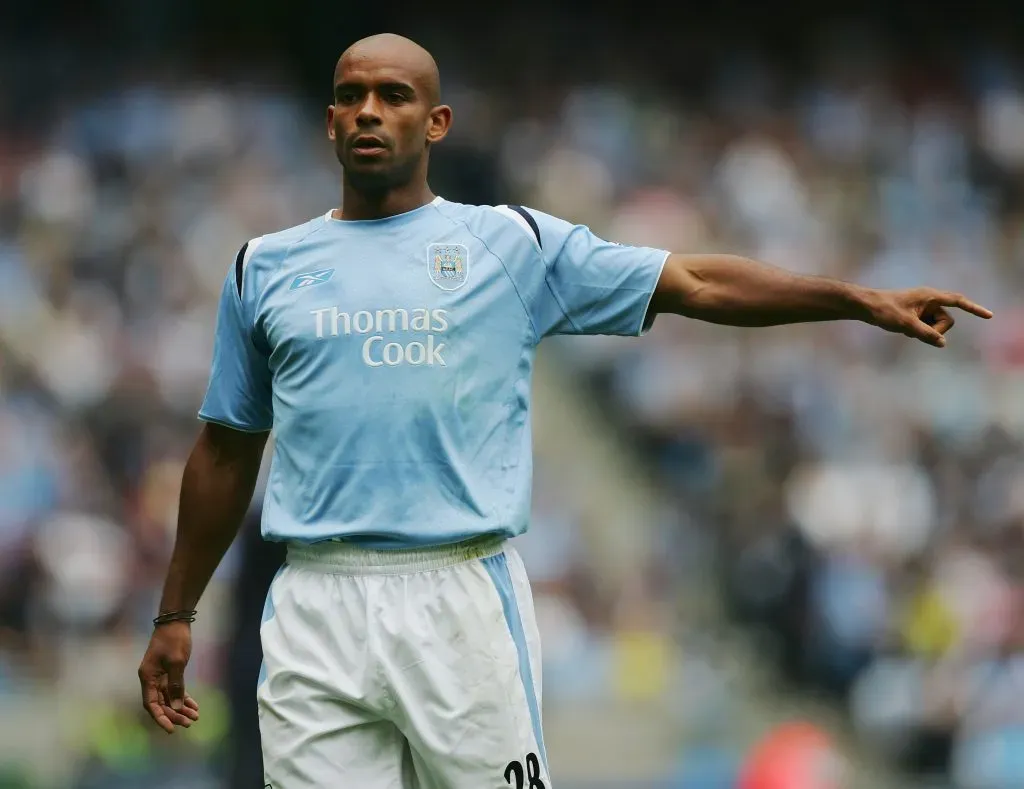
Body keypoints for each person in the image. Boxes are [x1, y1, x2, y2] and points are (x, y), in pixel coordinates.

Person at [136, 32, 992, 789]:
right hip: (314, 600)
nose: (369, 112)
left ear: (436, 124)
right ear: (328, 123)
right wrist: (176, 615)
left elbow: (692, 281)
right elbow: (223, 451)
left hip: (457, 593)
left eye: (393, 96)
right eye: (351, 96)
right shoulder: (266, 267)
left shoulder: (509, 244)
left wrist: (857, 300)